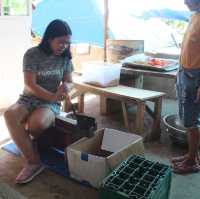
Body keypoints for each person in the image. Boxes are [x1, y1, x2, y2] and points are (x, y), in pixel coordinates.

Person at [4, 19, 74, 183]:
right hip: (29, 98)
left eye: (67, 43)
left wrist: (67, 87)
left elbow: (69, 81)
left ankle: (32, 141)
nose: (64, 46)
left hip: (50, 103)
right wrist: (53, 96)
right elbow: (30, 85)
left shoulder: (65, 59)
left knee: (37, 124)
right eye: (60, 42)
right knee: (9, 115)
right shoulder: (32, 54)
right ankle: (33, 162)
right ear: (50, 38)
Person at [172, 0, 200, 174]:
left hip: (195, 77)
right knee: (187, 117)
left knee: (191, 120)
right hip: (185, 73)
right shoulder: (195, 16)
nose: (184, 2)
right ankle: (192, 154)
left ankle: (192, 161)